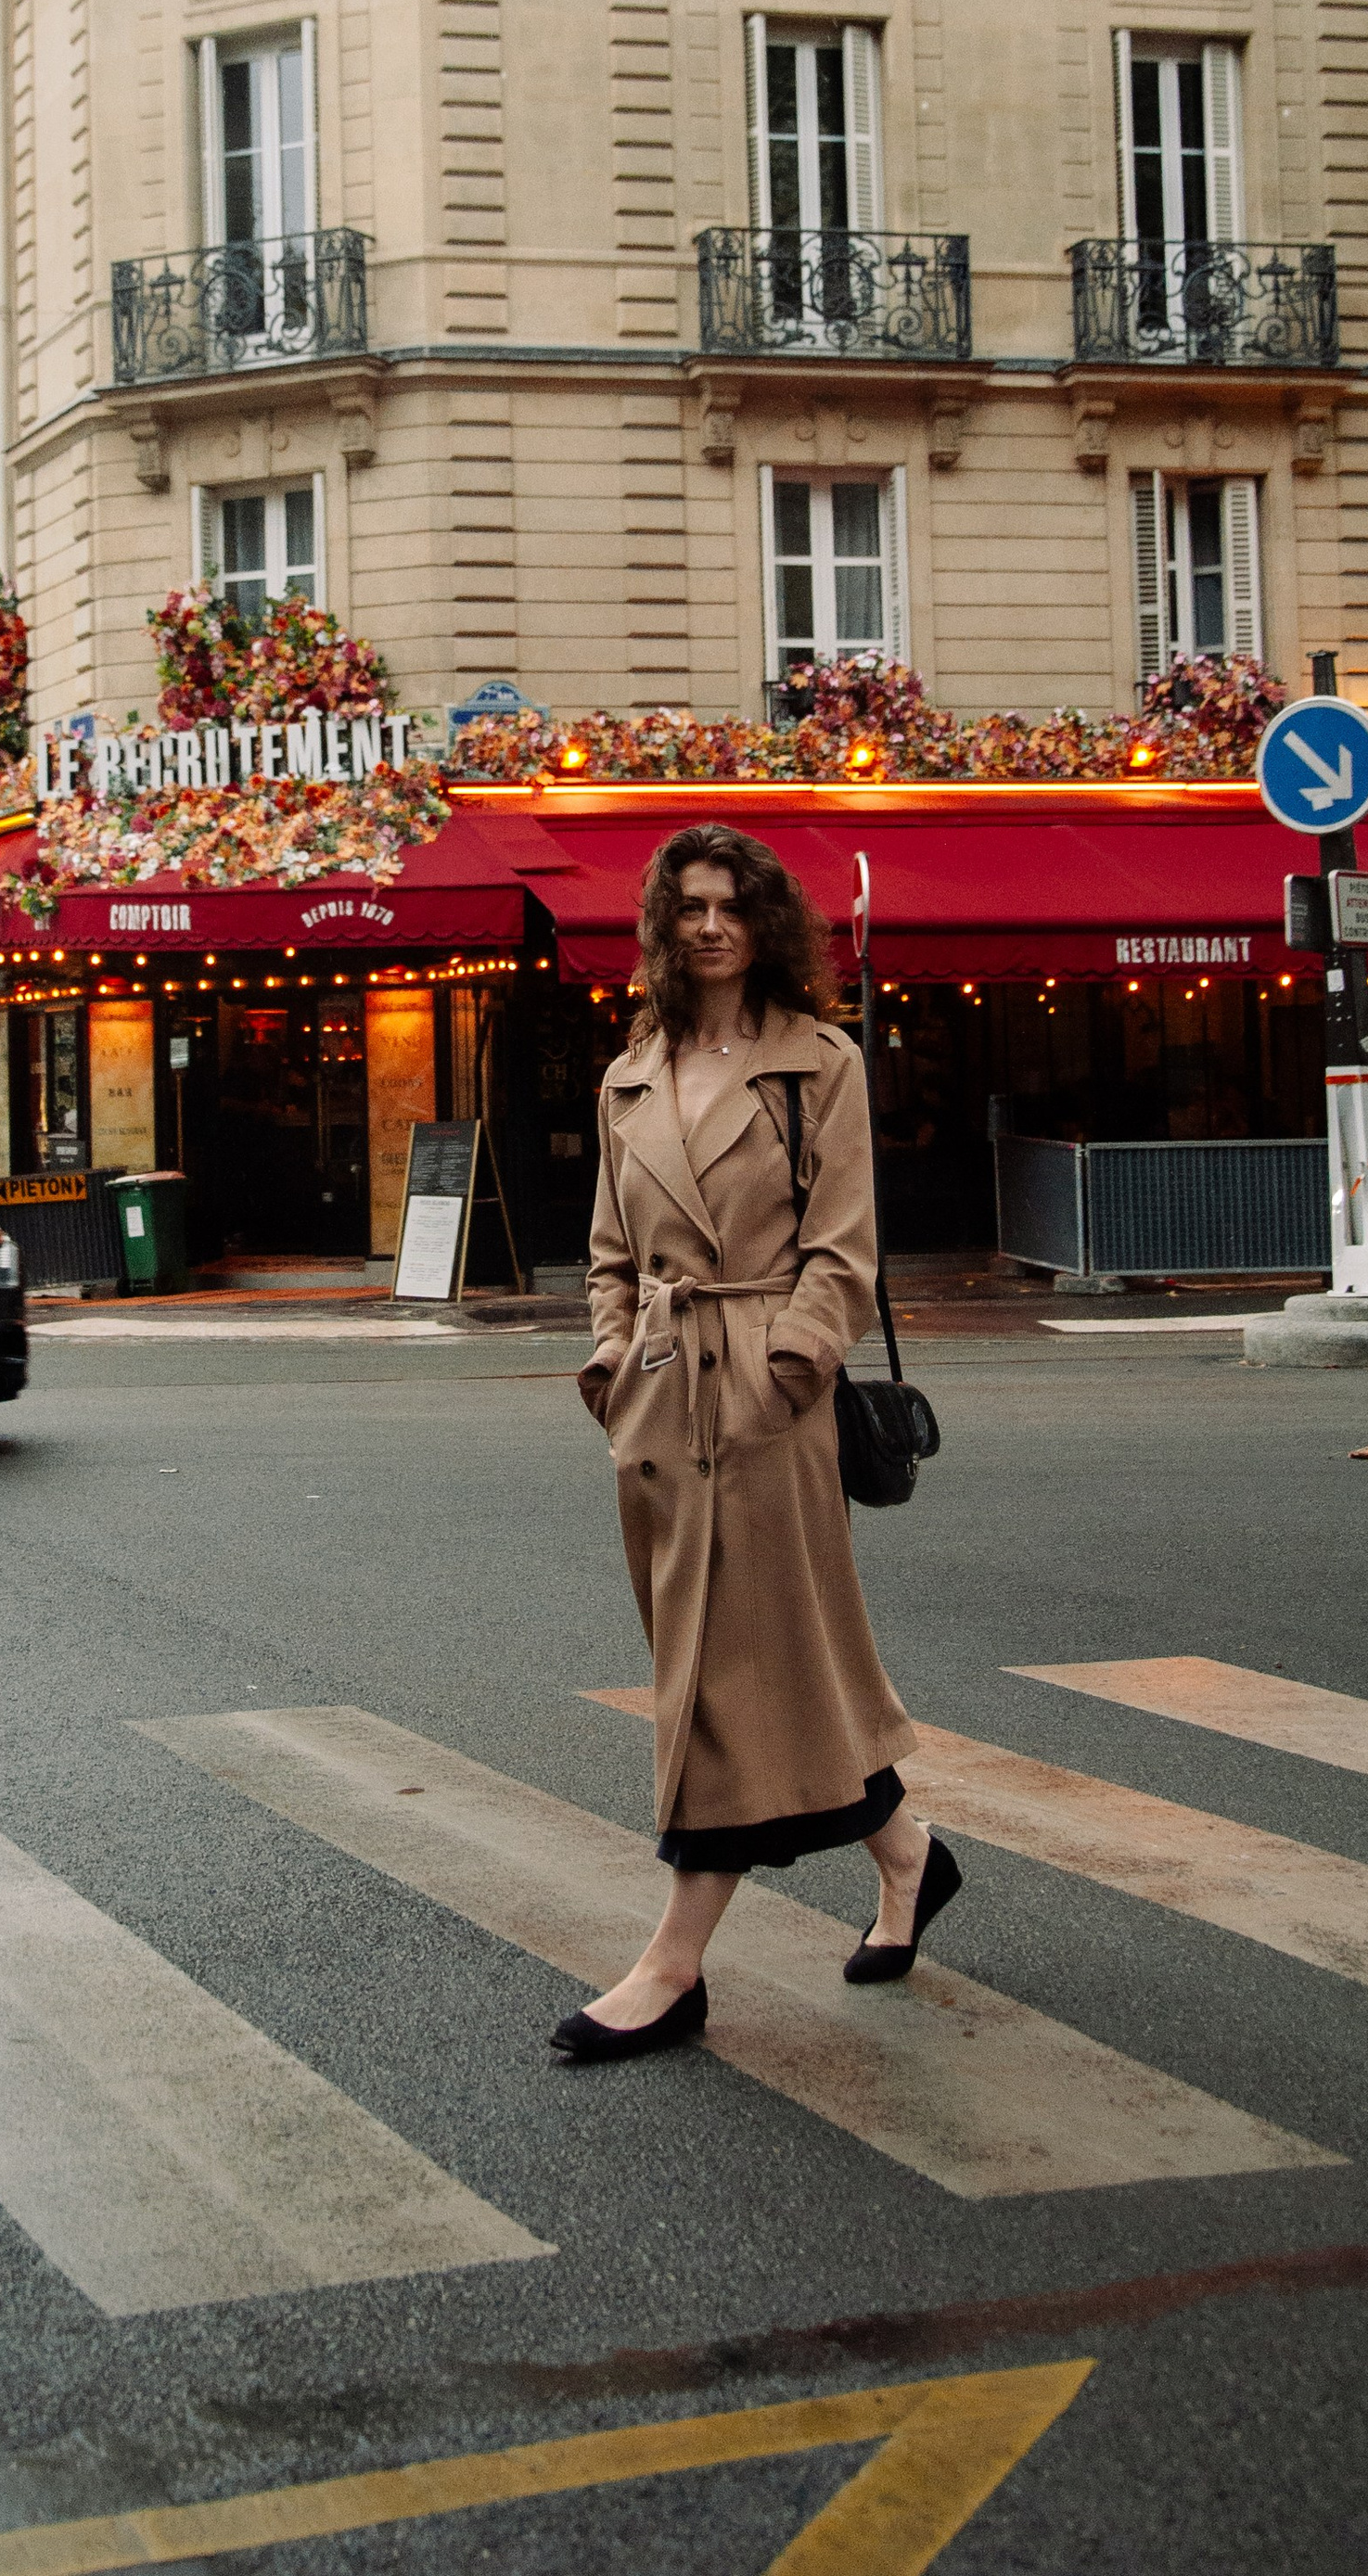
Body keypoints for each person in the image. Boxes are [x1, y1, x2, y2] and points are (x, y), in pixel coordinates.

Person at [556, 822, 961, 2062]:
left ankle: (671, 1968)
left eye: (732, 905)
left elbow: (845, 1249)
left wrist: (789, 1369)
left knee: (724, 1685)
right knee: (754, 1668)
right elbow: (611, 1254)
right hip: (663, 1409)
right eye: (689, 908)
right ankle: (907, 1855)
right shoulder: (631, 1073)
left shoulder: (815, 1065)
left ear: (765, 921)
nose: (712, 925)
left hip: (769, 1409)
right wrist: (614, 1361)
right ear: (663, 927)